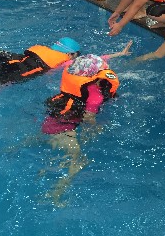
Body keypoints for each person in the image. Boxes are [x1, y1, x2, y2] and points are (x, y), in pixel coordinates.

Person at [41, 53, 121, 205]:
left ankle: (16, 147)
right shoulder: (95, 96)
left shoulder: (75, 88)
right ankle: (55, 194)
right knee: (79, 160)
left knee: (48, 139)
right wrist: (96, 128)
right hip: (63, 130)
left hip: (50, 122)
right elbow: (88, 119)